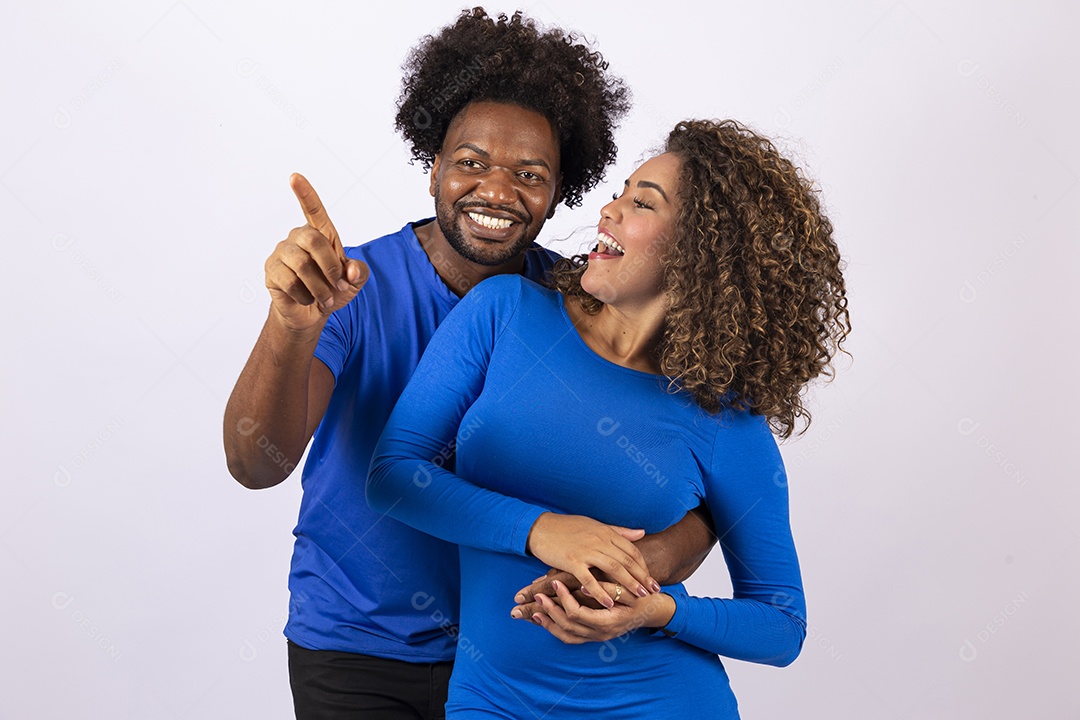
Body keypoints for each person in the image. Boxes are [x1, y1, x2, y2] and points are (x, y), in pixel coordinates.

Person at [223, 9, 716, 718]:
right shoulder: (352, 288)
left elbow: (709, 481)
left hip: (524, 655)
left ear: (559, 191)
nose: (497, 191)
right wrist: (291, 325)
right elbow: (255, 463)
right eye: (472, 163)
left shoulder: (578, 303)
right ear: (433, 170)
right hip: (359, 650)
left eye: (529, 173)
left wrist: (653, 564)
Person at [368, 118, 851, 717]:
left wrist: (659, 611)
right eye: (620, 191)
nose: (608, 210)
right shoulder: (504, 312)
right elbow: (393, 476)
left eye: (641, 203)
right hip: (491, 700)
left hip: (659, 701)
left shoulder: (726, 422)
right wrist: (543, 529)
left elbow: (781, 626)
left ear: (702, 252)